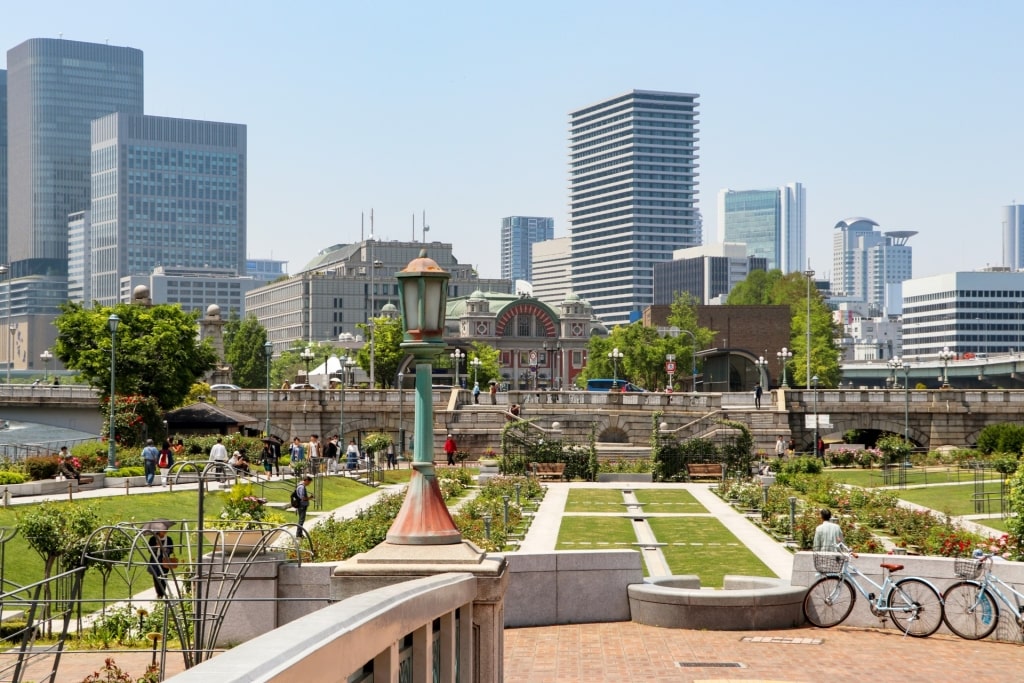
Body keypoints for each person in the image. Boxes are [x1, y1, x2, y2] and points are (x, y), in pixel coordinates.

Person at [148, 528, 176, 598]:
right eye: (163, 530)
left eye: (165, 530)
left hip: (164, 561)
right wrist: (156, 547)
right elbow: (149, 550)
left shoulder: (168, 539)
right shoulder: (153, 539)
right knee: (156, 577)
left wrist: (165, 549)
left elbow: (171, 550)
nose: (164, 531)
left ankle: (163, 593)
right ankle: (159, 594)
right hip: (155, 560)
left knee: (164, 576)